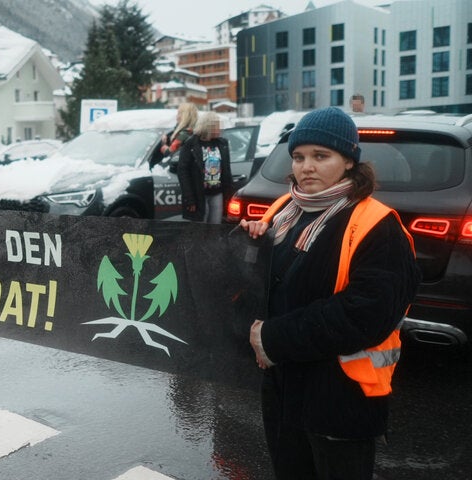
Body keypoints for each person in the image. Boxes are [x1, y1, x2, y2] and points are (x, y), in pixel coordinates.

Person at [239, 107, 420, 479]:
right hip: (285, 390)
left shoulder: (377, 226)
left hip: (340, 398)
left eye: (321, 156)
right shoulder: (285, 210)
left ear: (349, 162)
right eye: (299, 157)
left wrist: (272, 338)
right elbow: (267, 288)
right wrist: (246, 249)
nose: (307, 167)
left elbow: (362, 316)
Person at [176, 111, 231, 223]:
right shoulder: (191, 144)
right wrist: (189, 198)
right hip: (198, 194)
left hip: (217, 193)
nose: (219, 129)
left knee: (215, 228)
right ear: (207, 126)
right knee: (200, 230)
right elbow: (183, 171)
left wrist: (229, 194)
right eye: (216, 126)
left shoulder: (222, 143)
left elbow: (227, 170)